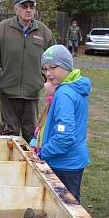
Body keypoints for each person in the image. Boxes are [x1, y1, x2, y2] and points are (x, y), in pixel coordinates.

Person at [0, 0, 56, 143]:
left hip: (32, 92)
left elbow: (53, 58)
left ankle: (30, 165)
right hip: (8, 91)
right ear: (16, 9)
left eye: (32, 6)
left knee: (31, 134)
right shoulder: (2, 29)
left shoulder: (44, 32)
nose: (28, 10)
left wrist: (43, 78)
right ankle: (9, 165)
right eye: (24, 6)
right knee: (9, 135)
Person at [35, 45, 90, 201]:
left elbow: (64, 135)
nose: (48, 73)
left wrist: (42, 153)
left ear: (66, 66)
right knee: (71, 202)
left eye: (53, 67)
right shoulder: (76, 86)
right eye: (45, 69)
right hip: (73, 161)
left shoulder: (64, 93)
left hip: (64, 163)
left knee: (64, 207)